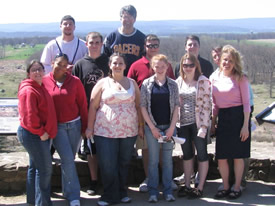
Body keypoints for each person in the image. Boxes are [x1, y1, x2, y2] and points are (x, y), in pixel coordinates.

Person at [85, 53, 143, 206]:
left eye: (120, 63)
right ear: (109, 65)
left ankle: (121, 192)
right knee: (108, 164)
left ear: (125, 66)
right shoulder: (102, 83)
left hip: (128, 131)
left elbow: (138, 106)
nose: (117, 66)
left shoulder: (132, 83)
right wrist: (89, 127)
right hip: (105, 131)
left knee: (124, 162)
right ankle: (109, 195)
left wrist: (141, 127)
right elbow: (93, 105)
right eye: (115, 63)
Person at [127, 34, 176, 193]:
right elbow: (130, 89)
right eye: (149, 45)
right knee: (147, 149)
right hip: (143, 114)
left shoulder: (166, 66)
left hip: (165, 116)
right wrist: (140, 123)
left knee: (164, 150)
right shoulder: (136, 66)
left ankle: (165, 180)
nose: (152, 48)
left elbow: (174, 94)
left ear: (159, 46)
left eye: (155, 45)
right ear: (145, 47)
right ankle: (149, 179)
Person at [43, 53, 88, 206]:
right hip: (57, 127)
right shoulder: (44, 82)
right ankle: (74, 195)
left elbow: (82, 105)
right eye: (59, 64)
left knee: (68, 159)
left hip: (74, 125)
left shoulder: (74, 81)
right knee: (68, 159)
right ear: (52, 62)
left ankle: (66, 191)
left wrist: (85, 127)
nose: (61, 68)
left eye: (65, 65)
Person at [210, 45, 251, 200]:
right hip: (223, 118)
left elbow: (246, 104)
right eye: (225, 60)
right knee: (221, 156)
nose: (227, 63)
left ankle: (237, 186)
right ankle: (225, 185)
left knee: (237, 156)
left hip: (238, 117)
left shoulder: (241, 77)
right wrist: (213, 122)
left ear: (235, 63)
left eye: (231, 61)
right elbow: (214, 104)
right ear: (220, 60)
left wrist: (245, 126)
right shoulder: (214, 77)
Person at [72, 31, 109, 196]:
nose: (94, 45)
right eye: (91, 42)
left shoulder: (109, 62)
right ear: (86, 44)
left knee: (107, 149)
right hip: (88, 114)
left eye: (97, 42)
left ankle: (108, 180)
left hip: (109, 114)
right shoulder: (80, 65)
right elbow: (75, 90)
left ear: (102, 44)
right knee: (91, 151)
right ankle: (94, 181)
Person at [174, 35, 214, 186]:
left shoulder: (203, 78)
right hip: (183, 123)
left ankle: (200, 186)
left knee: (202, 154)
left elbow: (206, 104)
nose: (188, 67)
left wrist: (204, 126)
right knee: (187, 154)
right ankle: (187, 184)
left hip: (198, 124)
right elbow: (175, 104)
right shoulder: (178, 81)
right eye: (185, 65)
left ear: (196, 66)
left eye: (191, 65)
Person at [17, 60, 57, 206]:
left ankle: (33, 201)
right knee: (45, 170)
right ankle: (43, 203)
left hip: (37, 134)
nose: (38, 72)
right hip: (34, 134)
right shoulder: (29, 90)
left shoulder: (39, 87)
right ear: (28, 73)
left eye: (40, 69)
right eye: (34, 70)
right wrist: (41, 132)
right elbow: (30, 116)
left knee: (35, 167)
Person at [140, 54, 179, 203]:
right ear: (153, 67)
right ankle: (153, 192)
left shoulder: (173, 84)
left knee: (168, 161)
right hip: (153, 128)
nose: (160, 69)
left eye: (163, 66)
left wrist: (171, 128)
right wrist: (152, 128)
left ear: (167, 66)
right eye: (157, 66)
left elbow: (176, 107)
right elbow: (143, 107)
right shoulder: (146, 84)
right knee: (153, 161)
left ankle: (168, 191)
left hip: (168, 127)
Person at [103, 5, 145, 76]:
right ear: (120, 19)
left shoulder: (142, 38)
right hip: (115, 77)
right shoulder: (111, 37)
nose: (127, 20)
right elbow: (104, 58)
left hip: (135, 77)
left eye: (130, 17)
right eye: (125, 17)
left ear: (135, 19)